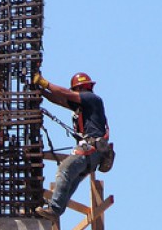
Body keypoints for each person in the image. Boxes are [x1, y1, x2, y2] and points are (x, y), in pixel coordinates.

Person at [34, 71, 110, 221]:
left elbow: (64, 93)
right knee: (71, 179)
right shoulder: (84, 106)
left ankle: (54, 208)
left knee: (65, 169)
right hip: (93, 154)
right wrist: (43, 92)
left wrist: (45, 83)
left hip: (91, 149)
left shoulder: (91, 98)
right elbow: (60, 99)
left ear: (80, 89)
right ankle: (54, 210)